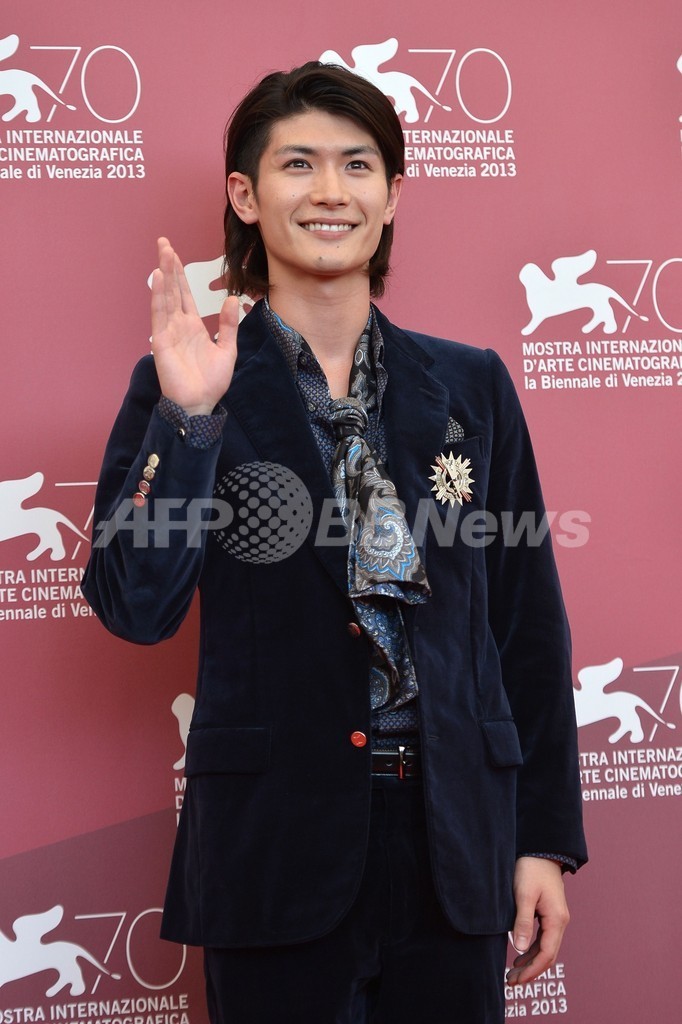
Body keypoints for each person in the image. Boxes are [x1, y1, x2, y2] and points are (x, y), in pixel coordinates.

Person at [82, 61, 587, 1024]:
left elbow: (525, 626)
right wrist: (191, 422)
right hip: (275, 848)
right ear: (245, 195)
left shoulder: (472, 386)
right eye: (297, 164)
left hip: (454, 845)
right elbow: (133, 605)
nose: (329, 192)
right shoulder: (187, 380)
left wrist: (540, 841)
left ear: (391, 196)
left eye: (357, 166)